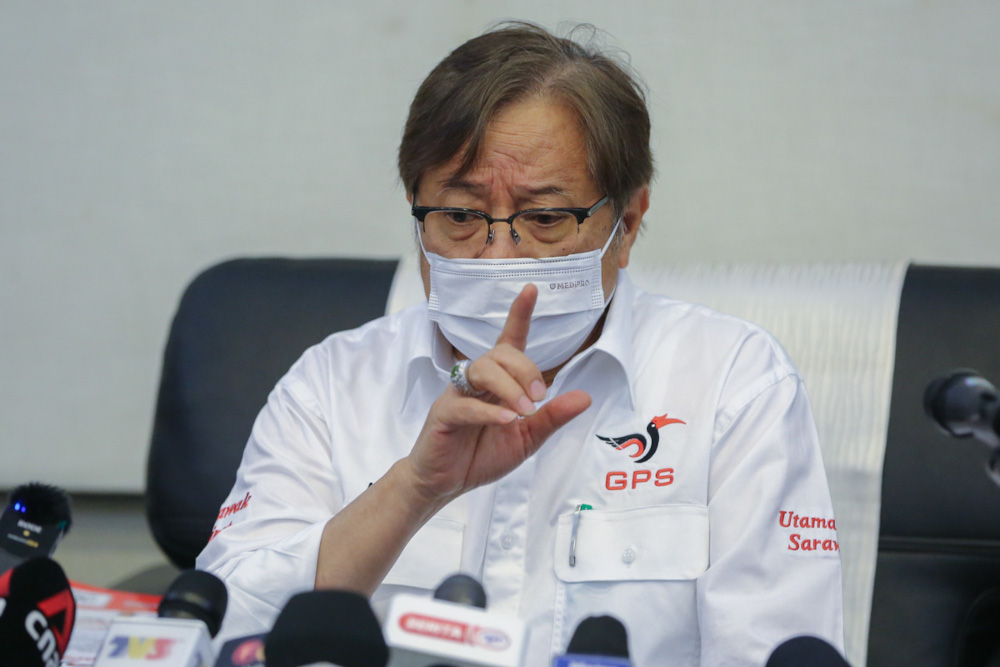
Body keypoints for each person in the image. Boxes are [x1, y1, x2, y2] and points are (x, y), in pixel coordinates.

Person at [197, 22, 844, 666]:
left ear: (629, 221)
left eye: (543, 218)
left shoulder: (734, 382)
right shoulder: (330, 386)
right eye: (459, 216)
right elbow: (216, 629)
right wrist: (412, 488)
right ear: (415, 212)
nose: (497, 255)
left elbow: (775, 649)